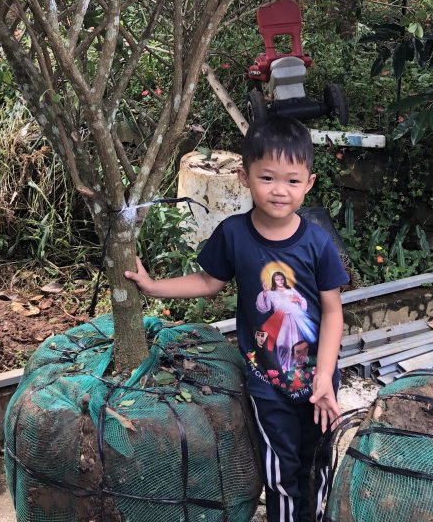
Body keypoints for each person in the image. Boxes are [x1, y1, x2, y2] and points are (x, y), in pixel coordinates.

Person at [125, 113, 347, 522]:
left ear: (309, 183)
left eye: (292, 180)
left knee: (316, 466)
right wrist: (153, 287)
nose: (279, 190)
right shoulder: (234, 234)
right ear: (245, 177)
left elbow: (333, 312)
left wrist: (325, 376)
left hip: (320, 381)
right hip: (267, 383)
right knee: (280, 470)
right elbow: (208, 281)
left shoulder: (317, 242)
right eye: (267, 178)